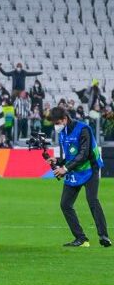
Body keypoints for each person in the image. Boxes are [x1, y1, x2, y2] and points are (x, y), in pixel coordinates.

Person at [45, 106, 109, 247]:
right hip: (74, 170)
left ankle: (104, 236)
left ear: (65, 119)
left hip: (90, 168)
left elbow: (83, 154)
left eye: (57, 123)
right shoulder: (63, 132)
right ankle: (81, 238)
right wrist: (58, 161)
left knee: (92, 200)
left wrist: (65, 169)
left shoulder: (83, 129)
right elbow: (69, 155)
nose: (56, 126)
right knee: (65, 204)